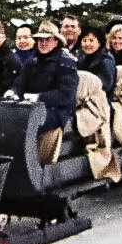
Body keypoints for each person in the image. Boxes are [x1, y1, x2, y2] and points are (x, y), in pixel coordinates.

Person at [11, 19, 78, 164]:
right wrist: (13, 91)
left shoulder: (66, 62)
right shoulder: (32, 61)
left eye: (47, 40)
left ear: (56, 41)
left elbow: (65, 95)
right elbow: (20, 82)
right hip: (32, 107)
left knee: (29, 123)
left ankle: (29, 162)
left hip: (56, 111)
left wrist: (39, 97)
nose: (43, 43)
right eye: (40, 40)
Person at [73, 27, 118, 99]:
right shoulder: (80, 56)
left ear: (99, 43)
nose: (87, 44)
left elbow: (105, 87)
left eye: (91, 41)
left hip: (99, 99)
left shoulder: (106, 60)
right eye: (84, 40)